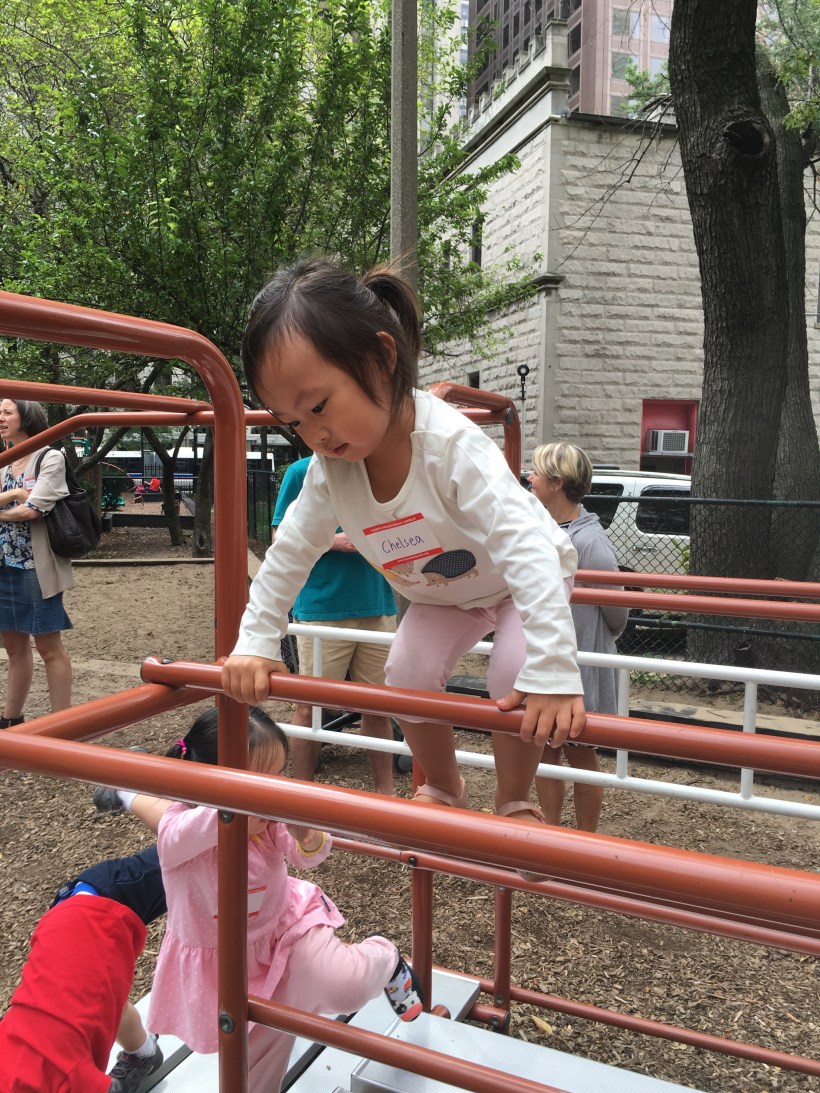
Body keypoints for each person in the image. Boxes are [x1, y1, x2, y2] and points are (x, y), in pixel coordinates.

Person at [222, 258, 585, 833]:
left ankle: (514, 799)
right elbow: (290, 550)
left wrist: (555, 667)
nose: (314, 434)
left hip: (522, 580)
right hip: (444, 593)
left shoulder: (449, 445)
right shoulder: (330, 470)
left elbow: (524, 545)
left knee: (517, 668)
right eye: (294, 422)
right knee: (406, 670)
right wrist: (256, 638)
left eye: (318, 407)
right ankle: (442, 785)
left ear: (381, 358)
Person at [98, 705, 423, 1093]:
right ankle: (127, 787)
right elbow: (191, 822)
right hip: (226, 959)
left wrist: (306, 835)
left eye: (278, 776)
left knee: (344, 987)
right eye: (260, 781)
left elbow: (307, 855)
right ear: (212, 786)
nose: (274, 791)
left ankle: (385, 959)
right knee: (253, 1053)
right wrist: (228, 803)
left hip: (285, 931)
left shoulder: (264, 819)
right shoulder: (181, 830)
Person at [273, 455, 398, 795]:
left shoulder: (379, 468)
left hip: (378, 604)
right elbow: (279, 536)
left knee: (379, 707)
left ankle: (385, 794)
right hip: (324, 608)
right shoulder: (301, 471)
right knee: (311, 707)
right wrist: (334, 541)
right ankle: (302, 795)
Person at [0, 840, 165, 1093]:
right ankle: (144, 1055)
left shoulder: (56, 1079)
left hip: (104, 904)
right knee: (105, 1008)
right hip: (70, 926)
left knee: (204, 850)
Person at [528, 442, 629, 832]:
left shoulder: (589, 541)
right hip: (549, 657)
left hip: (579, 660)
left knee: (579, 752)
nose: (530, 477)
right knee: (545, 752)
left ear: (557, 483)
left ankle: (585, 838)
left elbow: (615, 608)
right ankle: (553, 833)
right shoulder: (544, 529)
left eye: (537, 472)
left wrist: (595, 639)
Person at [0, 398, 73, 727]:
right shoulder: (5, 462)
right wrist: (14, 495)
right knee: (14, 647)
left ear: (26, 416)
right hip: (4, 564)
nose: (0, 418)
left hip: (35, 567)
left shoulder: (49, 457)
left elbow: (33, 510)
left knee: (48, 646)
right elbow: (21, 503)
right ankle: (11, 718)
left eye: (7, 412)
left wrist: (16, 502)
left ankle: (63, 724)